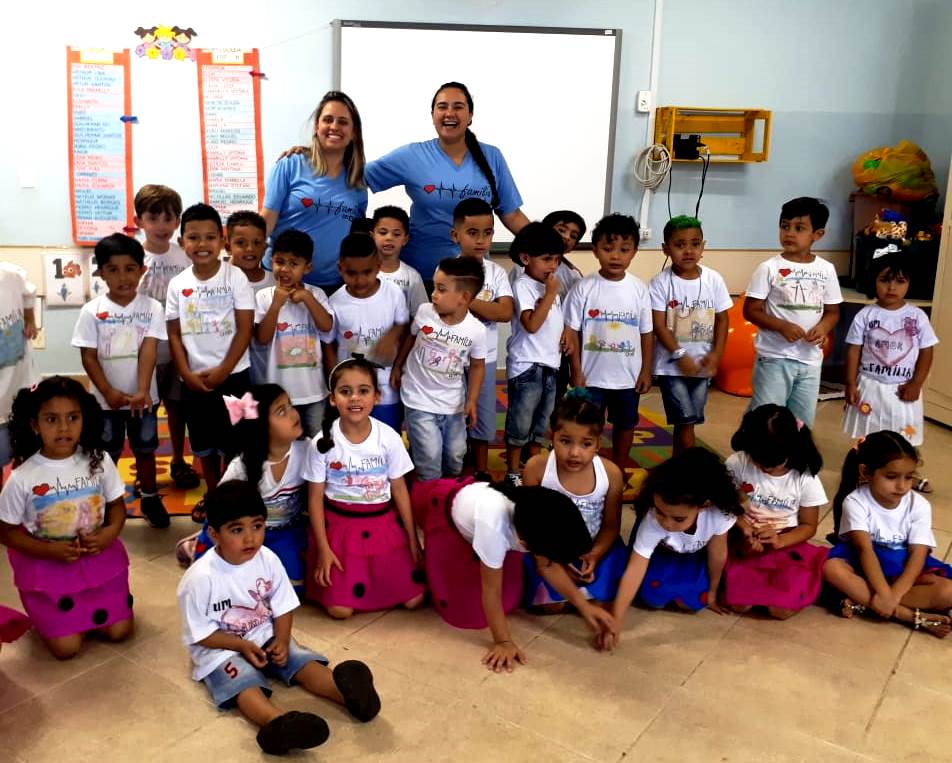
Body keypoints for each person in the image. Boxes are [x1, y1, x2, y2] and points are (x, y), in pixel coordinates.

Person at [176, 480, 380, 756]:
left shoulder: (268, 559)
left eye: (257, 526)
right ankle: (277, 723)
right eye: (237, 530)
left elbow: (283, 606)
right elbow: (201, 635)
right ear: (214, 534)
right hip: (222, 649)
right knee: (243, 681)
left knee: (299, 659)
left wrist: (282, 640)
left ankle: (351, 696)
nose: (250, 538)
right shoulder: (199, 579)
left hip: (265, 633)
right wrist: (241, 646)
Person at [412, 477, 618, 671]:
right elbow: (491, 591)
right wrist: (503, 642)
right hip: (444, 515)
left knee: (511, 597)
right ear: (525, 544)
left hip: (478, 510)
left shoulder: (534, 512)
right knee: (471, 614)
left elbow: (547, 566)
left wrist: (584, 606)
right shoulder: (493, 528)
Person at [0, 377, 134, 659]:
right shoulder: (23, 477)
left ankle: (83, 616)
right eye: (51, 419)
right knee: (67, 649)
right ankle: (56, 619)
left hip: (97, 560)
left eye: (73, 417)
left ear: (84, 419)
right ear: (34, 425)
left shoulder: (99, 460)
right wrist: (48, 551)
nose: (63, 428)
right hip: (49, 566)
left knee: (120, 632)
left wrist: (109, 533)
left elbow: (117, 507)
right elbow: (6, 532)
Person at [363, 82, 529, 284]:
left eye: (458, 107)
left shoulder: (492, 156)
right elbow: (357, 177)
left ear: (470, 115)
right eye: (442, 107)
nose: (449, 113)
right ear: (433, 114)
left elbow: (512, 214)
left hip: (473, 276)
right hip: (421, 275)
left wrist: (547, 247)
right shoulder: (413, 155)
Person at [304, 358, 423, 618]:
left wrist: (413, 540)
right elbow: (314, 499)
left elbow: (400, 490)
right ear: (332, 399)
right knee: (340, 610)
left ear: (377, 396)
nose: (354, 398)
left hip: (382, 524)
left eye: (363, 390)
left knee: (414, 600)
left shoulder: (389, 437)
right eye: (345, 391)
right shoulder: (322, 442)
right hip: (340, 528)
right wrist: (324, 549)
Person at [71, 233, 170, 528]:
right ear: (101, 273)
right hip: (105, 403)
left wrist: (142, 390)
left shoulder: (152, 308)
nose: (122, 277)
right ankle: (107, 501)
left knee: (145, 449)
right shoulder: (91, 311)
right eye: (112, 270)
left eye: (130, 269)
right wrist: (108, 392)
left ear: (142, 270)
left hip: (144, 399)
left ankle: (149, 497)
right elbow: (89, 357)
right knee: (106, 454)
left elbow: (149, 350)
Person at [600, 448, 743, 650]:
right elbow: (636, 567)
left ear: (704, 505)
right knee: (652, 597)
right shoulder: (652, 518)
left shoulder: (719, 514)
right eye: (660, 512)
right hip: (661, 553)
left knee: (694, 602)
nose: (666, 523)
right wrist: (615, 619)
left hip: (692, 555)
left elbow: (717, 554)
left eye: (678, 518)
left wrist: (713, 591)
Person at [165, 203, 255, 519]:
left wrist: (224, 370)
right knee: (203, 444)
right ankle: (214, 496)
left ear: (222, 240)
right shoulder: (178, 284)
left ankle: (236, 497)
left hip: (237, 377)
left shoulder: (236, 277)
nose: (202, 244)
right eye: (193, 237)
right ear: (182, 242)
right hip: (194, 382)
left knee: (238, 442)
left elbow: (245, 329)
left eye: (210, 237)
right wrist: (186, 373)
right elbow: (174, 334)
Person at [823, 431, 952, 638]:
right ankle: (908, 616)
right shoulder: (855, 501)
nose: (902, 486)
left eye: (909, 477)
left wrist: (894, 595)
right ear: (865, 472)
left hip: (903, 569)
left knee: (947, 591)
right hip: (864, 566)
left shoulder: (919, 505)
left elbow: (918, 554)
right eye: (891, 477)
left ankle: (864, 601)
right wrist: (883, 593)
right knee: (832, 568)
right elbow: (864, 550)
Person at [187, 384, 313, 595]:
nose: (293, 413)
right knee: (223, 580)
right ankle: (194, 544)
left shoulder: (307, 449)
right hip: (247, 532)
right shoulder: (243, 466)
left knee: (293, 588)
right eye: (281, 411)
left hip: (286, 530)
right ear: (262, 427)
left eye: (290, 405)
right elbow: (218, 504)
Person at [520, 391, 627, 610]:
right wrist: (556, 559)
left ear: (598, 444)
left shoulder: (611, 473)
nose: (575, 453)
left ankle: (581, 591)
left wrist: (595, 555)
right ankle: (565, 592)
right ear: (552, 437)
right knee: (547, 604)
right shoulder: (536, 468)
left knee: (603, 601)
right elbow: (532, 525)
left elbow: (610, 527)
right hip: (548, 549)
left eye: (586, 444)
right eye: (565, 441)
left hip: (595, 548)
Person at [722, 404, 830, 618]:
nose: (763, 469)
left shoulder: (804, 477)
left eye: (772, 464)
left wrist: (780, 541)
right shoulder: (737, 463)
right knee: (738, 604)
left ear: (791, 449)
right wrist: (742, 526)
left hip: (786, 545)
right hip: (744, 544)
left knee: (781, 610)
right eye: (757, 461)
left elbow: (808, 526)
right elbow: (724, 504)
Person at [743, 197, 843, 427]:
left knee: (801, 422)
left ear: (818, 234)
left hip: (810, 361)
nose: (789, 233)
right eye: (784, 226)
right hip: (774, 358)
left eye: (799, 228)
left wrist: (823, 328)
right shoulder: (769, 268)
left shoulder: (826, 269)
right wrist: (781, 326)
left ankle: (796, 452)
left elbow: (832, 312)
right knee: (767, 419)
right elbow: (751, 310)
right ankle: (751, 446)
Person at [564, 213, 652, 467]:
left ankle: (618, 467)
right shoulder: (584, 287)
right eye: (608, 248)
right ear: (595, 250)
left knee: (626, 423)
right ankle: (586, 467)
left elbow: (647, 333)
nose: (615, 256)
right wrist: (576, 371)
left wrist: (646, 370)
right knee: (587, 425)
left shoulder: (639, 289)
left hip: (628, 378)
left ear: (634, 252)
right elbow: (571, 332)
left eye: (624, 249)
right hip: (591, 378)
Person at [392, 257, 487, 481]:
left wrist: (472, 400)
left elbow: (477, 366)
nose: (433, 294)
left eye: (441, 289)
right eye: (434, 287)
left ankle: (447, 489)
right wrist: (398, 366)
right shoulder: (425, 312)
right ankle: (428, 494)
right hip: (418, 398)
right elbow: (410, 338)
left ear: (464, 297)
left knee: (455, 455)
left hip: (453, 404)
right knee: (429, 457)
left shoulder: (476, 330)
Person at [262, 91, 368, 291]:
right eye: (328, 120)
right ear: (317, 126)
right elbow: (266, 221)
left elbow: (355, 236)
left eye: (343, 122)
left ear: (354, 132)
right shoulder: (290, 164)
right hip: (281, 280)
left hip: (331, 286)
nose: (334, 126)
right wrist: (239, 265)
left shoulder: (358, 181)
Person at [133, 184, 199, 491]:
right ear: (139, 220)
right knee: (142, 410)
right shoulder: (133, 256)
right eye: (153, 218)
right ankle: (144, 469)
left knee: (177, 408)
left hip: (178, 348)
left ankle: (178, 460)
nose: (161, 225)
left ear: (178, 221)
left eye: (169, 218)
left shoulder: (184, 257)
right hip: (142, 350)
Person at [649, 216, 732, 455]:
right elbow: (659, 325)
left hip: (702, 366)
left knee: (690, 420)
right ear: (666, 249)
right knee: (684, 419)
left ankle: (681, 466)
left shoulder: (713, 279)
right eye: (679, 244)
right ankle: (685, 469)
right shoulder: (660, 283)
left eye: (695, 244)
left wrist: (716, 355)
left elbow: (723, 319)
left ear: (703, 247)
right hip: (671, 367)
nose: (688, 251)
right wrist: (680, 354)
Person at [843, 251, 937, 452]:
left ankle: (903, 465)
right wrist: (850, 383)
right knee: (867, 433)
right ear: (873, 281)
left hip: (903, 388)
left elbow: (927, 351)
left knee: (904, 435)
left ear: (910, 283)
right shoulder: (865, 315)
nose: (892, 287)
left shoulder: (917, 316)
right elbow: (853, 350)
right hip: (869, 386)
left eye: (900, 281)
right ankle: (866, 463)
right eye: (884, 280)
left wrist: (916, 384)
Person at [453, 198, 513, 480]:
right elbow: (446, 309)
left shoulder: (496, 273)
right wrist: (481, 306)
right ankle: (453, 467)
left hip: (485, 359)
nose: (480, 240)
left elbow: (504, 312)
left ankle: (481, 470)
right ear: (455, 235)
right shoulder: (447, 270)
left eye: (487, 233)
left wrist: (466, 300)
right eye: (472, 233)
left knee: (483, 416)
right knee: (453, 413)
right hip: (452, 358)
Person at [255, 229, 335, 438]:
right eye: (280, 262)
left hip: (313, 392)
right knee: (282, 443)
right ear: (271, 261)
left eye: (293, 263)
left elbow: (327, 326)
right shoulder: (264, 296)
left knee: (316, 442)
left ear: (307, 267)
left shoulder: (316, 294)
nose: (285, 269)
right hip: (278, 394)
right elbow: (262, 338)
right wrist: (275, 305)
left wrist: (307, 299)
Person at [503, 223, 566, 486]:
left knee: (541, 423)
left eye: (557, 259)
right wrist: (550, 294)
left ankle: (534, 467)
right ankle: (513, 472)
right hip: (527, 366)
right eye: (547, 259)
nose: (553, 265)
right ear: (526, 258)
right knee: (520, 422)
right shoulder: (524, 285)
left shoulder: (549, 287)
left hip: (551, 364)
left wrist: (565, 335)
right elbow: (531, 324)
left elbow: (554, 321)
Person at [327, 233, 408, 431]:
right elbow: (328, 343)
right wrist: (333, 381)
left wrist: (392, 338)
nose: (360, 280)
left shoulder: (394, 293)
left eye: (367, 272)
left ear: (378, 266)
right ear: (340, 269)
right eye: (351, 273)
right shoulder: (334, 302)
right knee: (352, 438)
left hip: (386, 389)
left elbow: (403, 324)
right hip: (350, 392)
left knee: (387, 435)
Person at [0, 263, 37, 490]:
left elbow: (29, 293)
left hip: (20, 383)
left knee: (27, 452)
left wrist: (30, 319)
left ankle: (23, 498)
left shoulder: (11, 274)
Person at [227, 211, 273, 385]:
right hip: (230, 374)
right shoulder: (218, 283)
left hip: (267, 374)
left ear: (265, 247)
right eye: (241, 243)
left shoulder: (276, 283)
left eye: (257, 243)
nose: (249, 249)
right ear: (227, 246)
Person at [372, 205, 428, 318]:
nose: (389, 238)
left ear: (405, 239)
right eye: (383, 232)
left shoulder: (412, 277)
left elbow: (422, 316)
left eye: (396, 234)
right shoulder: (361, 272)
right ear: (372, 236)